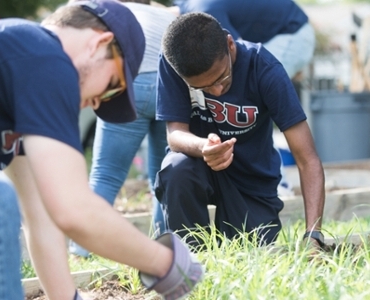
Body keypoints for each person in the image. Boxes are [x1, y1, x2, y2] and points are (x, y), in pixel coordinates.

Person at [0, 1, 203, 300]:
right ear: (99, 43)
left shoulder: (22, 80)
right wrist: (168, 263)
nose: (96, 104)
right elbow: (75, 210)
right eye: (111, 88)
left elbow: (41, 217)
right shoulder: (43, 54)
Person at [154, 12, 325, 249]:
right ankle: (190, 261)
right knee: (176, 169)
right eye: (200, 87)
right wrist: (203, 146)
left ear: (230, 45)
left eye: (221, 78)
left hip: (251, 179)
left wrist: (313, 234)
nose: (216, 91)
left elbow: (308, 159)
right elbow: (175, 135)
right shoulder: (174, 61)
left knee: (253, 258)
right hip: (197, 167)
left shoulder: (265, 70)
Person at [68, 0, 177, 258]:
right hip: (169, 89)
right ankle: (164, 245)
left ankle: (81, 250)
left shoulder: (111, 12)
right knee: (162, 178)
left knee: (106, 175)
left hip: (131, 86)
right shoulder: (163, 15)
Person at [172, 0, 315, 80]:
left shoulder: (204, 10)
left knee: (255, 86)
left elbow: (239, 51)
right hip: (276, 34)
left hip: (293, 34)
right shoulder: (184, 3)